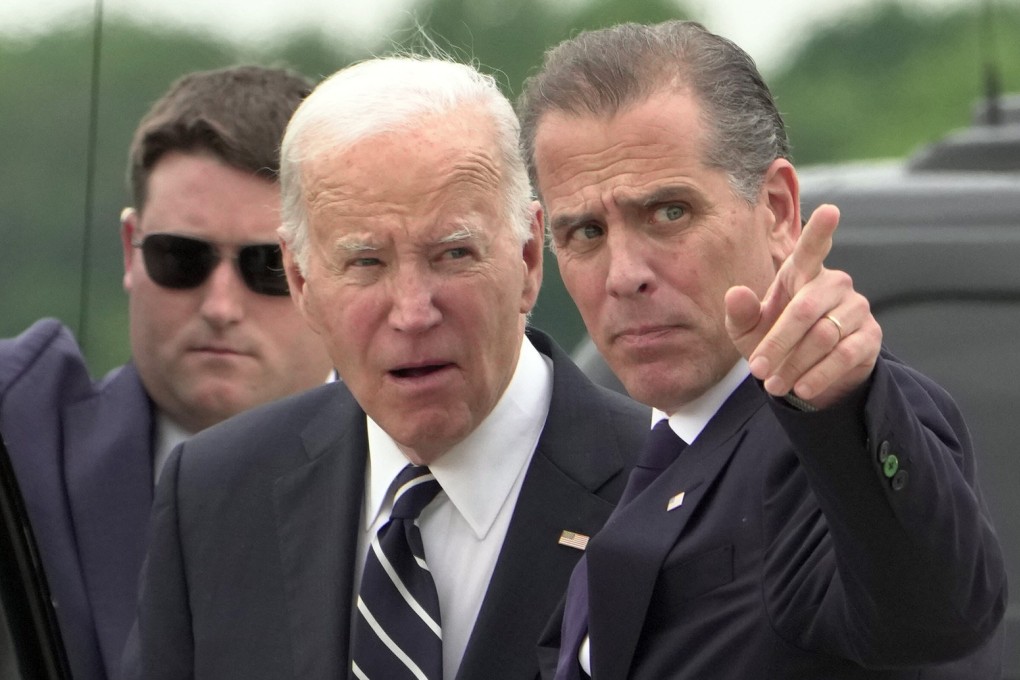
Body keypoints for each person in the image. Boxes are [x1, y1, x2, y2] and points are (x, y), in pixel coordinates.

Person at [120, 55, 648, 680]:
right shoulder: (214, 494)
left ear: (529, 256)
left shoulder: (664, 490)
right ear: (300, 280)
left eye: (453, 254)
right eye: (366, 262)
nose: (413, 312)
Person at [516, 20, 1007, 679]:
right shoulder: (623, 464)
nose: (623, 274)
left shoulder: (831, 434)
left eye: (669, 212)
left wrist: (841, 406)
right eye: (586, 232)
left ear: (776, 210)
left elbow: (935, 615)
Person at [0, 65, 334, 680]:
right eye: (181, 256)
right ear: (130, 248)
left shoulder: (420, 474)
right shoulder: (22, 436)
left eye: (268, 266)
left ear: (330, 267)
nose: (221, 306)